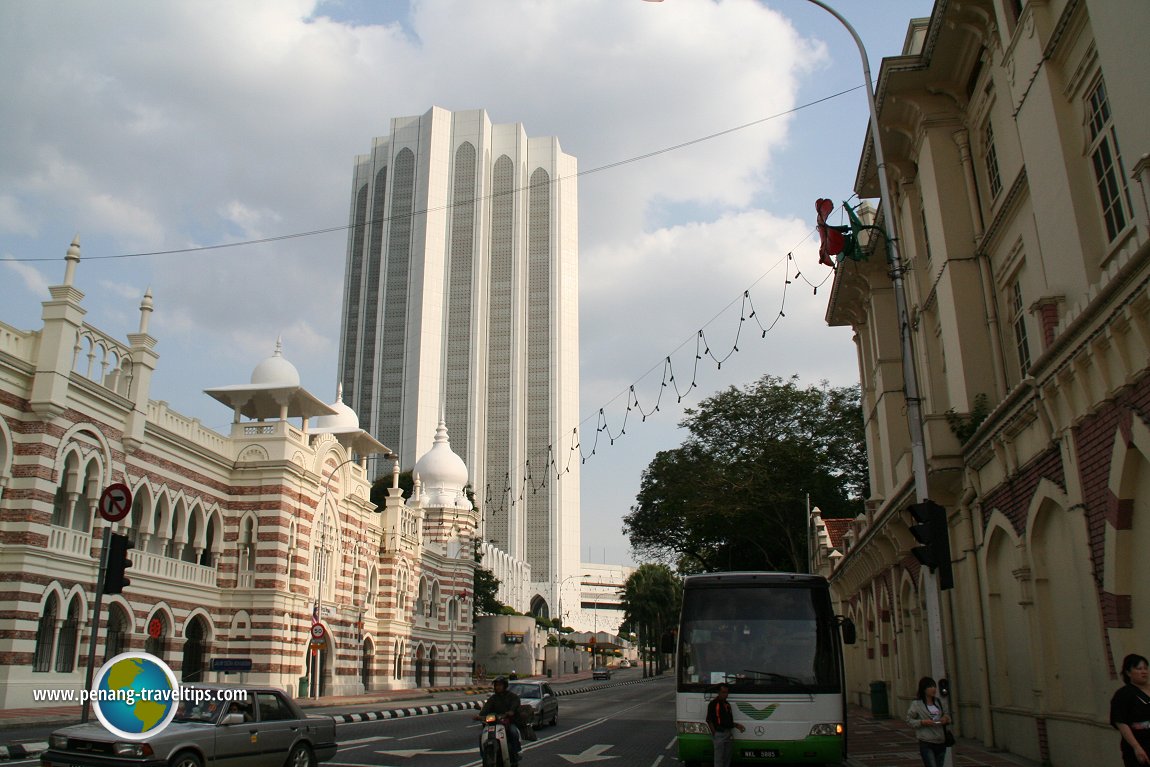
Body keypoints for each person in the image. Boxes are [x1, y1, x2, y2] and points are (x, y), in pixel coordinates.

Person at [1110, 653, 1150, 766]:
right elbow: (1120, 721)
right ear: (1128, 672)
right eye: (1139, 668)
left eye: (1145, 668)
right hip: (1141, 743)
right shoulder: (1123, 694)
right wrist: (1136, 747)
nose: (1144, 672)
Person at [476, 676, 522, 764]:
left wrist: (511, 711)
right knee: (481, 736)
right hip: (494, 722)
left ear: (504, 686)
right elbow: (486, 708)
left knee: (513, 732)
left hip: (508, 721)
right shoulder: (493, 698)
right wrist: (479, 716)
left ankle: (515, 753)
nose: (498, 687)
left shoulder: (512, 697)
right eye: (496, 685)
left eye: (500, 685)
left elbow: (515, 704)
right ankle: (484, 756)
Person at [906, 676, 950, 767]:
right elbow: (909, 720)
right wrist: (922, 722)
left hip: (940, 741)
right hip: (927, 742)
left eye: (934, 686)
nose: (933, 689)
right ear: (924, 689)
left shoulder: (939, 702)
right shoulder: (917, 704)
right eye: (930, 687)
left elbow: (947, 715)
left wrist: (945, 718)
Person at [705, 683, 745, 767]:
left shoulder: (727, 705)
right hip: (719, 734)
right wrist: (715, 734)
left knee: (727, 758)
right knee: (718, 759)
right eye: (723, 692)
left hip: (728, 734)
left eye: (726, 692)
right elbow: (709, 720)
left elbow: (728, 721)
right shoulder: (713, 704)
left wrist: (736, 726)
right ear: (718, 692)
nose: (725, 695)